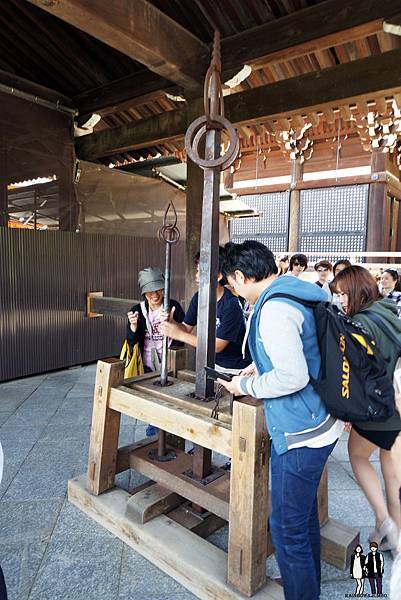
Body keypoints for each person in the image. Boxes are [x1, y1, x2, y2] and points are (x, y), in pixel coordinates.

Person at [217, 240, 343, 600]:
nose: (234, 289)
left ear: (241, 276)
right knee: (301, 519)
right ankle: (305, 582)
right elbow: (302, 348)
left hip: (301, 430)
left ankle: (302, 590)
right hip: (321, 417)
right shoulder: (297, 290)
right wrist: (260, 366)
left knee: (286, 527)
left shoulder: (273, 310)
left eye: (231, 282)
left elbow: (292, 377)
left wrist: (245, 384)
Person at [333, 265, 401, 555]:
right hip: (398, 402)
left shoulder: (359, 324)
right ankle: (394, 539)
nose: (341, 302)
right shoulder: (388, 310)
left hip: (377, 406)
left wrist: (348, 411)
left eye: (344, 295)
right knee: (393, 472)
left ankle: (384, 520)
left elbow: (355, 373)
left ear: (357, 290)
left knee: (358, 456)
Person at [161, 248, 250, 373]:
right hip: (212, 364)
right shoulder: (199, 297)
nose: (197, 276)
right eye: (197, 271)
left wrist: (178, 335)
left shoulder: (231, 304)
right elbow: (186, 328)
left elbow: (217, 346)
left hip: (236, 368)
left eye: (201, 272)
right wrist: (173, 324)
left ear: (218, 276)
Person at [126, 266, 185, 435]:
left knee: (169, 397)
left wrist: (172, 323)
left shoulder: (173, 306)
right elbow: (131, 342)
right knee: (152, 398)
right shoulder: (136, 310)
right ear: (143, 292)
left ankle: (169, 430)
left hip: (170, 362)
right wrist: (133, 326)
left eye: (158, 289)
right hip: (146, 363)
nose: (155, 295)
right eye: (149, 291)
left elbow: (184, 334)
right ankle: (154, 430)